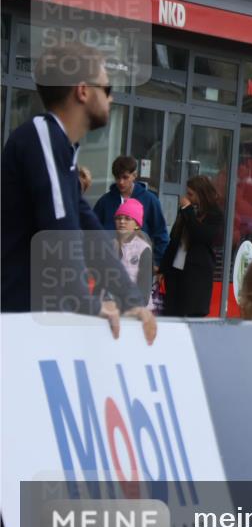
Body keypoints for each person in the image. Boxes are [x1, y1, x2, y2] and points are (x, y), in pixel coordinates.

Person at [0, 42, 155, 343]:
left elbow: (89, 229)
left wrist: (131, 299)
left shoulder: (62, 149)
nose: (111, 97)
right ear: (83, 90)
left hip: (31, 319)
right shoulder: (42, 136)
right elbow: (61, 229)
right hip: (14, 321)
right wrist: (86, 302)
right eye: (107, 88)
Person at [160, 175, 224, 317]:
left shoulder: (214, 214)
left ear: (201, 194)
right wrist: (163, 268)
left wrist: (188, 210)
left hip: (196, 276)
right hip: (176, 272)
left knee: (191, 314)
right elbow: (174, 239)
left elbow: (201, 235)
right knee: (171, 314)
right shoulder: (186, 211)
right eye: (187, 193)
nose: (187, 197)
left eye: (191, 194)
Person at [93, 155, 169, 267]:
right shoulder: (104, 201)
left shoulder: (150, 200)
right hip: (108, 263)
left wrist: (157, 262)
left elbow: (161, 233)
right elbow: (92, 232)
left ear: (134, 175)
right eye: (117, 177)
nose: (121, 182)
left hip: (139, 264)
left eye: (125, 177)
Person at [113, 198, 153, 308]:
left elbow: (144, 289)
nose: (122, 221)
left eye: (127, 218)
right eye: (119, 218)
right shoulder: (109, 245)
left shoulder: (143, 249)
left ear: (137, 225)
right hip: (112, 307)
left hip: (134, 309)